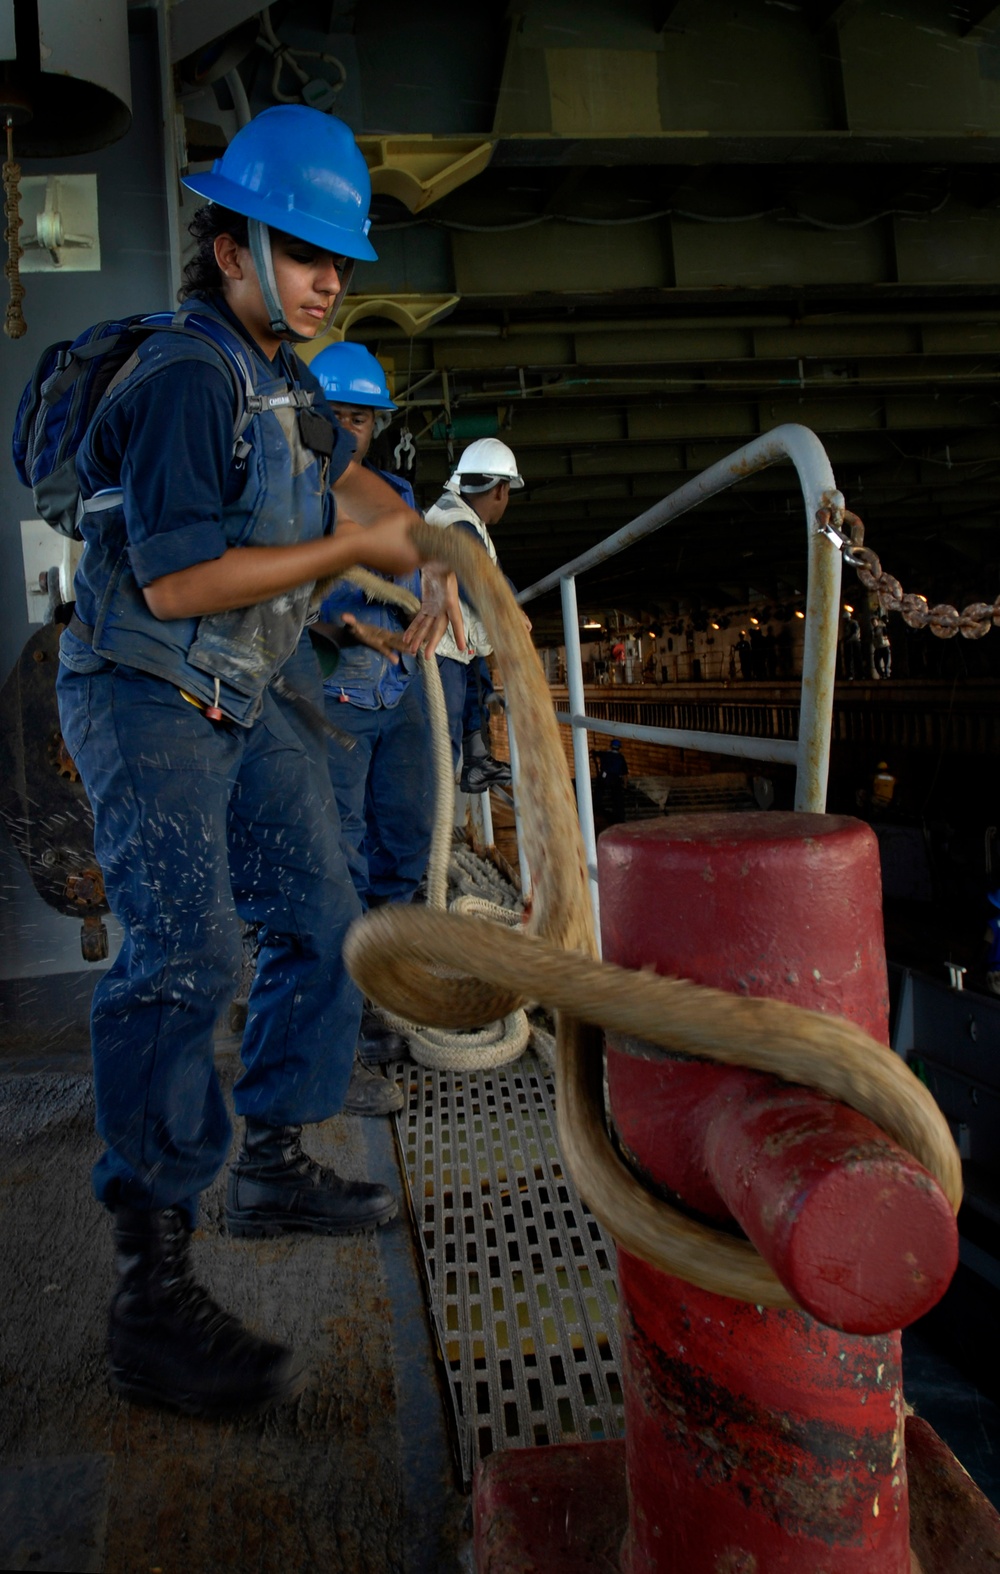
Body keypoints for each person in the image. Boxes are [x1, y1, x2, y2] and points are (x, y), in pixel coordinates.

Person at [53, 106, 463, 1419]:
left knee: (325, 912)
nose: (329, 275)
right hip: (146, 689)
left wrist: (422, 544)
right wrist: (352, 559)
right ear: (227, 244)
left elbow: (344, 489)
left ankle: (274, 1151)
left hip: (239, 691)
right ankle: (149, 1290)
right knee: (185, 955)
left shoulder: (279, 373)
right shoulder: (188, 375)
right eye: (302, 248)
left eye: (339, 256)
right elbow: (177, 582)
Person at [309, 340, 430, 1068]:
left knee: (407, 838)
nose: (350, 428)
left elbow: (420, 561)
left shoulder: (397, 495)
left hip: (401, 692)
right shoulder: (298, 499)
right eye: (338, 415)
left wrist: (428, 600)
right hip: (335, 699)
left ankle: (396, 984)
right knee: (341, 855)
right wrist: (343, 625)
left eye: (363, 417)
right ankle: (347, 1014)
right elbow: (285, 606)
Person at [423, 438, 529, 792]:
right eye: (508, 492)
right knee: (440, 743)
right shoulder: (458, 524)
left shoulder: (460, 515)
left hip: (456, 646)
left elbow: (490, 572)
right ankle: (428, 827)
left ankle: (476, 763)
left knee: (471, 697)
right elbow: (477, 580)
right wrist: (508, 616)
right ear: (500, 490)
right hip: (440, 650)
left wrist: (510, 601)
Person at [594, 737, 629, 822]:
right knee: (617, 798)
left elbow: (597, 753)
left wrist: (594, 752)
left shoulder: (605, 754)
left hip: (604, 778)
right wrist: (625, 785)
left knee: (598, 793)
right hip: (615, 779)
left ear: (611, 746)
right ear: (619, 747)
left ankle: (594, 809)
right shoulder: (620, 758)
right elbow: (625, 774)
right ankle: (619, 817)